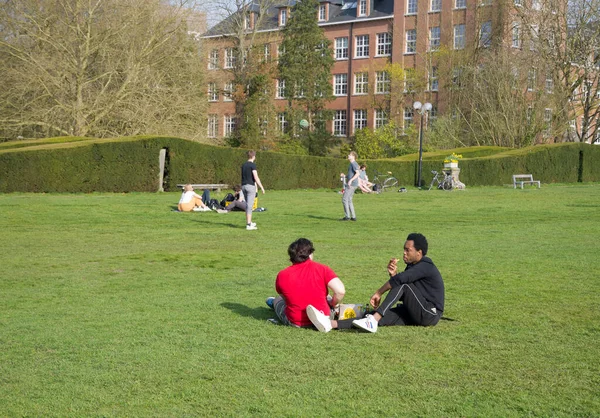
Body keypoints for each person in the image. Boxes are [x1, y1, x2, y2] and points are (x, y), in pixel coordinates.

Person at [306, 233, 444, 333]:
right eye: (404, 249)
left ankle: (373, 320)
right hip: (414, 311)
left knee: (401, 285)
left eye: (408, 250)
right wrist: (393, 275)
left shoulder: (426, 265)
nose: (404, 253)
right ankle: (331, 324)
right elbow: (404, 291)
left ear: (419, 252)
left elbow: (402, 284)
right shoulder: (412, 266)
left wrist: (379, 292)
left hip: (429, 314)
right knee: (374, 316)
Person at [266, 238, 346, 329]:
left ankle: (273, 302)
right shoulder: (322, 269)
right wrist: (333, 303)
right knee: (327, 296)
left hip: (296, 322)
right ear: (310, 254)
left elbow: (285, 299)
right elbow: (340, 291)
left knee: (278, 300)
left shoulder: (282, 275)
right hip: (324, 317)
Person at [241, 150, 265, 230]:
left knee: (248, 205)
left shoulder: (243, 165)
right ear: (254, 156)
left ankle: (249, 222)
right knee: (249, 206)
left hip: (243, 186)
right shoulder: (252, 165)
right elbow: (256, 177)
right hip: (250, 186)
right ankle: (248, 225)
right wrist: (261, 187)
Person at [341, 151, 360, 221]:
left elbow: (358, 173)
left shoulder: (354, 164)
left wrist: (351, 180)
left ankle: (347, 216)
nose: (348, 155)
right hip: (352, 184)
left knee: (344, 199)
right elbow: (351, 174)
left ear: (353, 157)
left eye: (350, 155)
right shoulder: (352, 164)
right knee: (349, 200)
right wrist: (345, 176)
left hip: (351, 185)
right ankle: (353, 217)